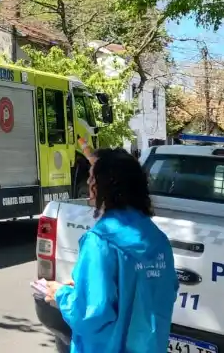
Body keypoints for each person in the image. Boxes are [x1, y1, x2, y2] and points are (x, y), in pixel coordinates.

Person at [45, 148, 178, 352]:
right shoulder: (157, 238)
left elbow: (90, 313)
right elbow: (161, 292)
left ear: (105, 184)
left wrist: (61, 295)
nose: (88, 183)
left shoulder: (100, 240)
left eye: (91, 178)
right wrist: (83, 285)